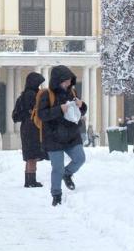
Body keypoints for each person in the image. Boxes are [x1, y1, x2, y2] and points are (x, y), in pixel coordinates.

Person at [34, 65, 87, 206]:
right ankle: (56, 195)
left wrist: (82, 105)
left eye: (70, 80)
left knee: (80, 158)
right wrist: (59, 109)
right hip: (53, 137)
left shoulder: (73, 93)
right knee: (57, 168)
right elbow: (42, 114)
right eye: (66, 81)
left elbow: (80, 112)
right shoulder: (47, 95)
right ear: (58, 81)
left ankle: (67, 174)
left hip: (71, 135)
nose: (68, 84)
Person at [11, 72, 46, 188]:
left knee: (29, 155)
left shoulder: (23, 95)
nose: (40, 86)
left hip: (25, 127)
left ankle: (28, 179)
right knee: (32, 155)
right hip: (33, 127)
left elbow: (16, 116)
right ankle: (31, 180)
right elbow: (38, 109)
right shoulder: (33, 95)